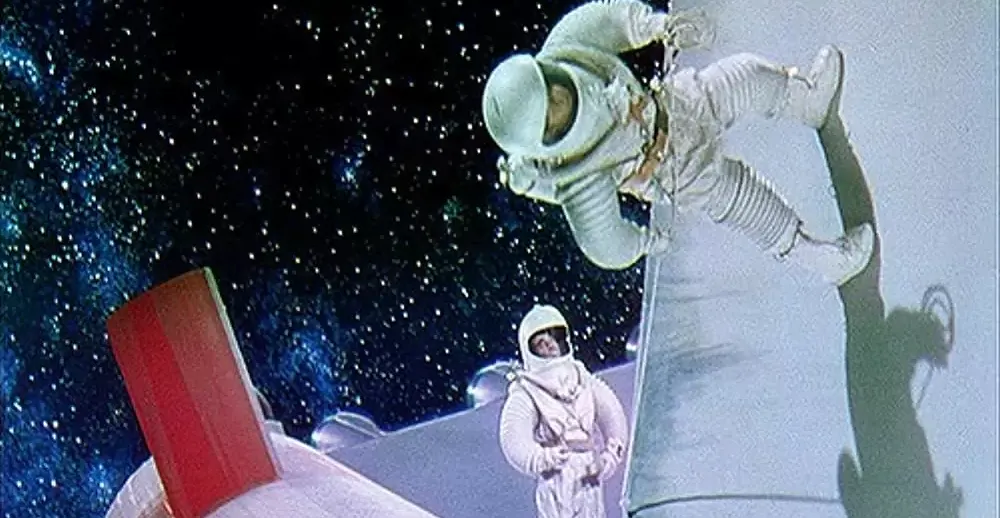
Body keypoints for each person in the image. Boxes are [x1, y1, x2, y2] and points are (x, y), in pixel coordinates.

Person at [481, 0, 875, 286]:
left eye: (549, 89)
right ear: (545, 141)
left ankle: (806, 101)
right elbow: (605, 244)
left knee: (746, 75)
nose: (558, 100)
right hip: (675, 171)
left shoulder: (570, 50)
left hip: (675, 103)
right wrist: (645, 242)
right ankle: (826, 261)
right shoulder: (577, 176)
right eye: (550, 115)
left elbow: (609, 21)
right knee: (749, 202)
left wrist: (658, 26)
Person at [498, 304, 629, 518]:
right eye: (540, 343)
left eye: (553, 337)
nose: (549, 345)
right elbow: (514, 440)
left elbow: (614, 418)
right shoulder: (527, 392)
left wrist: (610, 457)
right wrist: (542, 458)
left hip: (589, 472)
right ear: (530, 349)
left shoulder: (584, 380)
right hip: (556, 477)